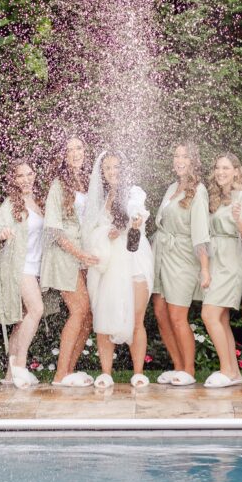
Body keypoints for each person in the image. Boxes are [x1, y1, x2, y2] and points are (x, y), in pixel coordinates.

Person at [83, 151, 154, 388]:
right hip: (110, 263)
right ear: (102, 173)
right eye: (107, 168)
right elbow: (91, 230)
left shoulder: (134, 192)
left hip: (133, 259)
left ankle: (138, 373)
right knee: (104, 315)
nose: (112, 172)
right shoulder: (99, 199)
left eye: (116, 167)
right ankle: (106, 373)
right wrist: (106, 233)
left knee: (136, 317)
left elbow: (136, 212)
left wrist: (133, 221)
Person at [41, 136, 98, 387]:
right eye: (70, 149)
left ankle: (69, 371)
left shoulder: (87, 183)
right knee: (79, 309)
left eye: (79, 148)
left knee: (88, 316)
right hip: (65, 254)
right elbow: (54, 230)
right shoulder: (58, 185)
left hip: (83, 256)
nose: (76, 153)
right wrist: (80, 254)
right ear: (63, 155)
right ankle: (60, 373)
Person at [153, 143, 211, 387]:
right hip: (162, 255)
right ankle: (177, 366)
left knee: (178, 315)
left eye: (184, 156)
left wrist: (205, 268)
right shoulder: (171, 188)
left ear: (193, 161)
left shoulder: (198, 190)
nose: (179, 160)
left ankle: (189, 369)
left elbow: (200, 232)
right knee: (160, 312)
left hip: (184, 257)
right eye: (176, 155)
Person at [202, 152, 242, 387]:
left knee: (209, 314)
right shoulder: (214, 197)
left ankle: (226, 370)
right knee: (221, 318)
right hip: (215, 260)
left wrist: (239, 222)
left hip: (231, 260)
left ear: (236, 171)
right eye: (218, 168)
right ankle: (233, 372)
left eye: (226, 168)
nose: (221, 172)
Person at [0, 159, 44, 388]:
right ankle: (21, 366)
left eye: (29, 174)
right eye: (20, 176)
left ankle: (9, 374)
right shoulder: (10, 204)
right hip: (19, 264)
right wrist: (2, 233)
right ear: (14, 180)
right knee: (36, 309)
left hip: (35, 266)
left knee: (22, 320)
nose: (26, 179)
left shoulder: (39, 202)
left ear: (35, 175)